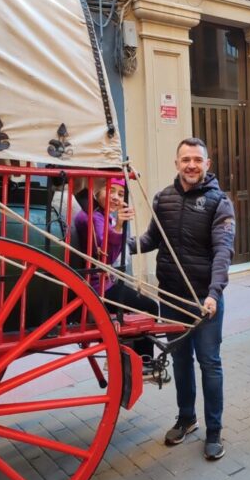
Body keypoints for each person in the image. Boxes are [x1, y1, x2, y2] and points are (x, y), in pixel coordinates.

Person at [129, 138, 235, 460]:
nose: (191, 165)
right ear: (177, 164)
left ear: (207, 164)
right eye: (185, 159)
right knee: (180, 361)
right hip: (171, 298)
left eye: (197, 160)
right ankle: (187, 418)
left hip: (204, 302)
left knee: (209, 364)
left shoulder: (220, 203)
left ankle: (214, 431)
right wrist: (121, 238)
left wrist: (214, 293)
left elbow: (222, 252)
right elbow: (151, 239)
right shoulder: (163, 198)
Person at [74, 177, 158, 379]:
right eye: (110, 191)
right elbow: (107, 257)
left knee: (134, 309)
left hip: (102, 282)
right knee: (150, 307)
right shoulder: (91, 217)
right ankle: (144, 363)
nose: (115, 197)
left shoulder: (99, 215)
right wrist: (119, 226)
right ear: (97, 191)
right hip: (98, 288)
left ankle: (120, 357)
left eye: (121, 194)